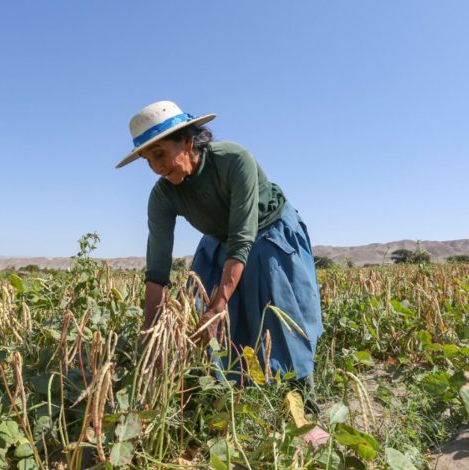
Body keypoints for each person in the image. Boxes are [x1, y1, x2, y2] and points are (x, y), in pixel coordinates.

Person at [116, 100, 328, 445]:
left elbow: (243, 236)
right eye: (148, 160)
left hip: (268, 234)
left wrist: (220, 306)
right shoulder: (163, 196)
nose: (155, 167)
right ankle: (228, 393)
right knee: (201, 318)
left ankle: (301, 413)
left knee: (279, 319)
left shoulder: (233, 159)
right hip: (219, 242)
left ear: (187, 141)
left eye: (159, 154)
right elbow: (157, 267)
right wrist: (150, 330)